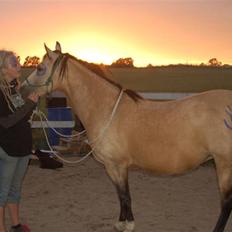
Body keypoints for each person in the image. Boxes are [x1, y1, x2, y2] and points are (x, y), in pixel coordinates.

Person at [0, 50, 39, 232]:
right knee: (2, 192)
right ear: (2, 69)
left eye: (18, 62)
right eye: (13, 64)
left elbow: (22, 117)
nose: (19, 66)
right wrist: (29, 104)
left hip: (22, 147)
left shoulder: (13, 88)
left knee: (15, 189)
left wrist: (32, 103)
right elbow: (7, 122)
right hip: (6, 148)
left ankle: (15, 226)